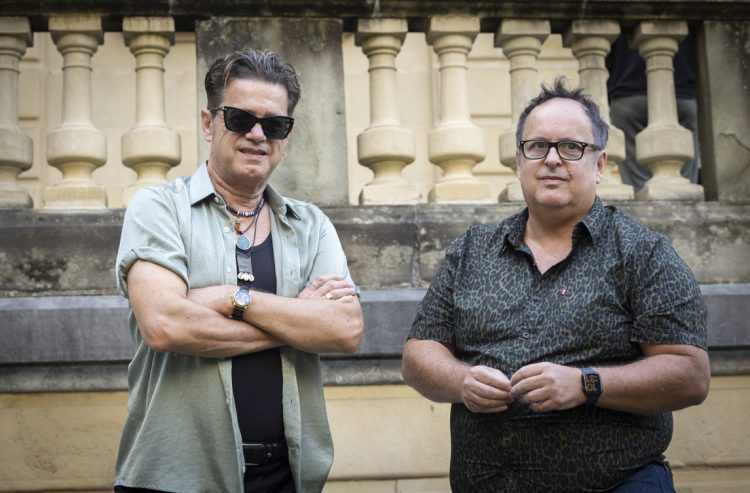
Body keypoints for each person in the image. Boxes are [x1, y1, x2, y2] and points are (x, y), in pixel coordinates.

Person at [401, 77, 709, 493]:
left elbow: (690, 375)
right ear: (519, 161)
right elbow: (419, 352)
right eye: (537, 146)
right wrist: (461, 380)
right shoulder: (471, 251)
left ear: (599, 165)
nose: (551, 159)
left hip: (615, 484)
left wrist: (586, 384)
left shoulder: (643, 254)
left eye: (571, 147)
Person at [114, 48, 364, 493]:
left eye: (274, 124)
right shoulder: (158, 209)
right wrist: (295, 321)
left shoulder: (311, 226)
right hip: (174, 477)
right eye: (239, 118)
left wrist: (231, 298)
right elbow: (165, 325)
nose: (257, 134)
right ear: (209, 123)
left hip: (287, 476)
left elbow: (345, 329)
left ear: (286, 135)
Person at [606, 32, 701, 191]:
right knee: (686, 182)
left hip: (627, 94)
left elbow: (607, 57)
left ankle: (646, 214)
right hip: (682, 93)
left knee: (638, 184)